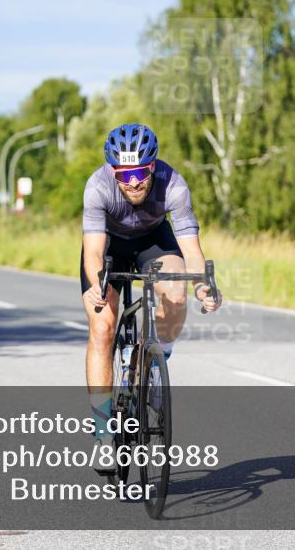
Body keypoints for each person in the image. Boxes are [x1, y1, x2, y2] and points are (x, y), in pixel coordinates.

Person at [80, 123, 222, 462]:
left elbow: (190, 248)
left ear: (153, 166)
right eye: (124, 174)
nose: (133, 182)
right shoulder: (97, 186)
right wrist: (96, 283)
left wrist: (202, 284)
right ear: (112, 169)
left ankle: (157, 363)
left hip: (153, 241)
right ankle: (103, 434)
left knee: (176, 292)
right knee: (102, 327)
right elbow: (94, 253)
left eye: (141, 172)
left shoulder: (173, 184)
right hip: (111, 247)